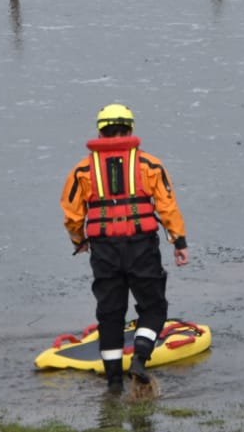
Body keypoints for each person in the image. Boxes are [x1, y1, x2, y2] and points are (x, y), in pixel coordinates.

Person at [61, 103, 190, 394]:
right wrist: (179, 242)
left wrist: (79, 241)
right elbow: (168, 206)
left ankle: (114, 384)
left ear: (100, 131)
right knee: (154, 307)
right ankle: (141, 360)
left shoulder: (82, 169)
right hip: (141, 246)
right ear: (131, 129)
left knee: (110, 313)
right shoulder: (150, 165)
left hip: (104, 249)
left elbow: (72, 215)